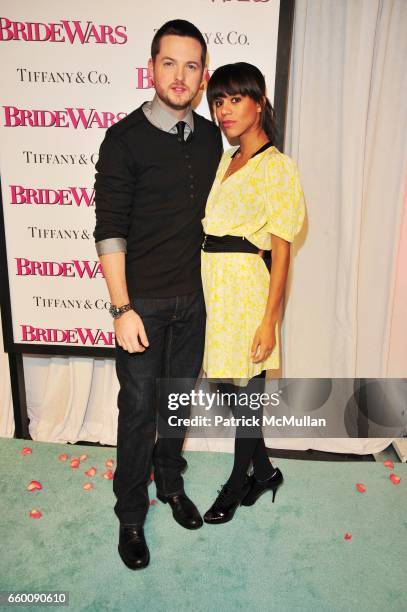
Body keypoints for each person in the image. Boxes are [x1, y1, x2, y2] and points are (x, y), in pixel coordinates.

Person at [94, 20, 223, 569]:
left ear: (203, 76)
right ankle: (129, 514)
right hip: (141, 305)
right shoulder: (123, 139)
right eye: (169, 63)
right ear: (151, 68)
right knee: (139, 409)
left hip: (193, 303)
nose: (180, 75)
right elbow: (110, 229)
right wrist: (122, 309)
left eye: (191, 65)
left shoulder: (213, 137)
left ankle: (169, 483)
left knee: (175, 405)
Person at [201, 62, 305, 524]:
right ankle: (264, 471)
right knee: (227, 387)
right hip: (215, 290)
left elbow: (281, 253)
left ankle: (239, 479)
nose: (224, 110)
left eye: (234, 99)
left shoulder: (277, 167)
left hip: (246, 291)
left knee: (245, 395)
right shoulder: (227, 159)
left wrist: (270, 320)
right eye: (218, 102)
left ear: (259, 102)